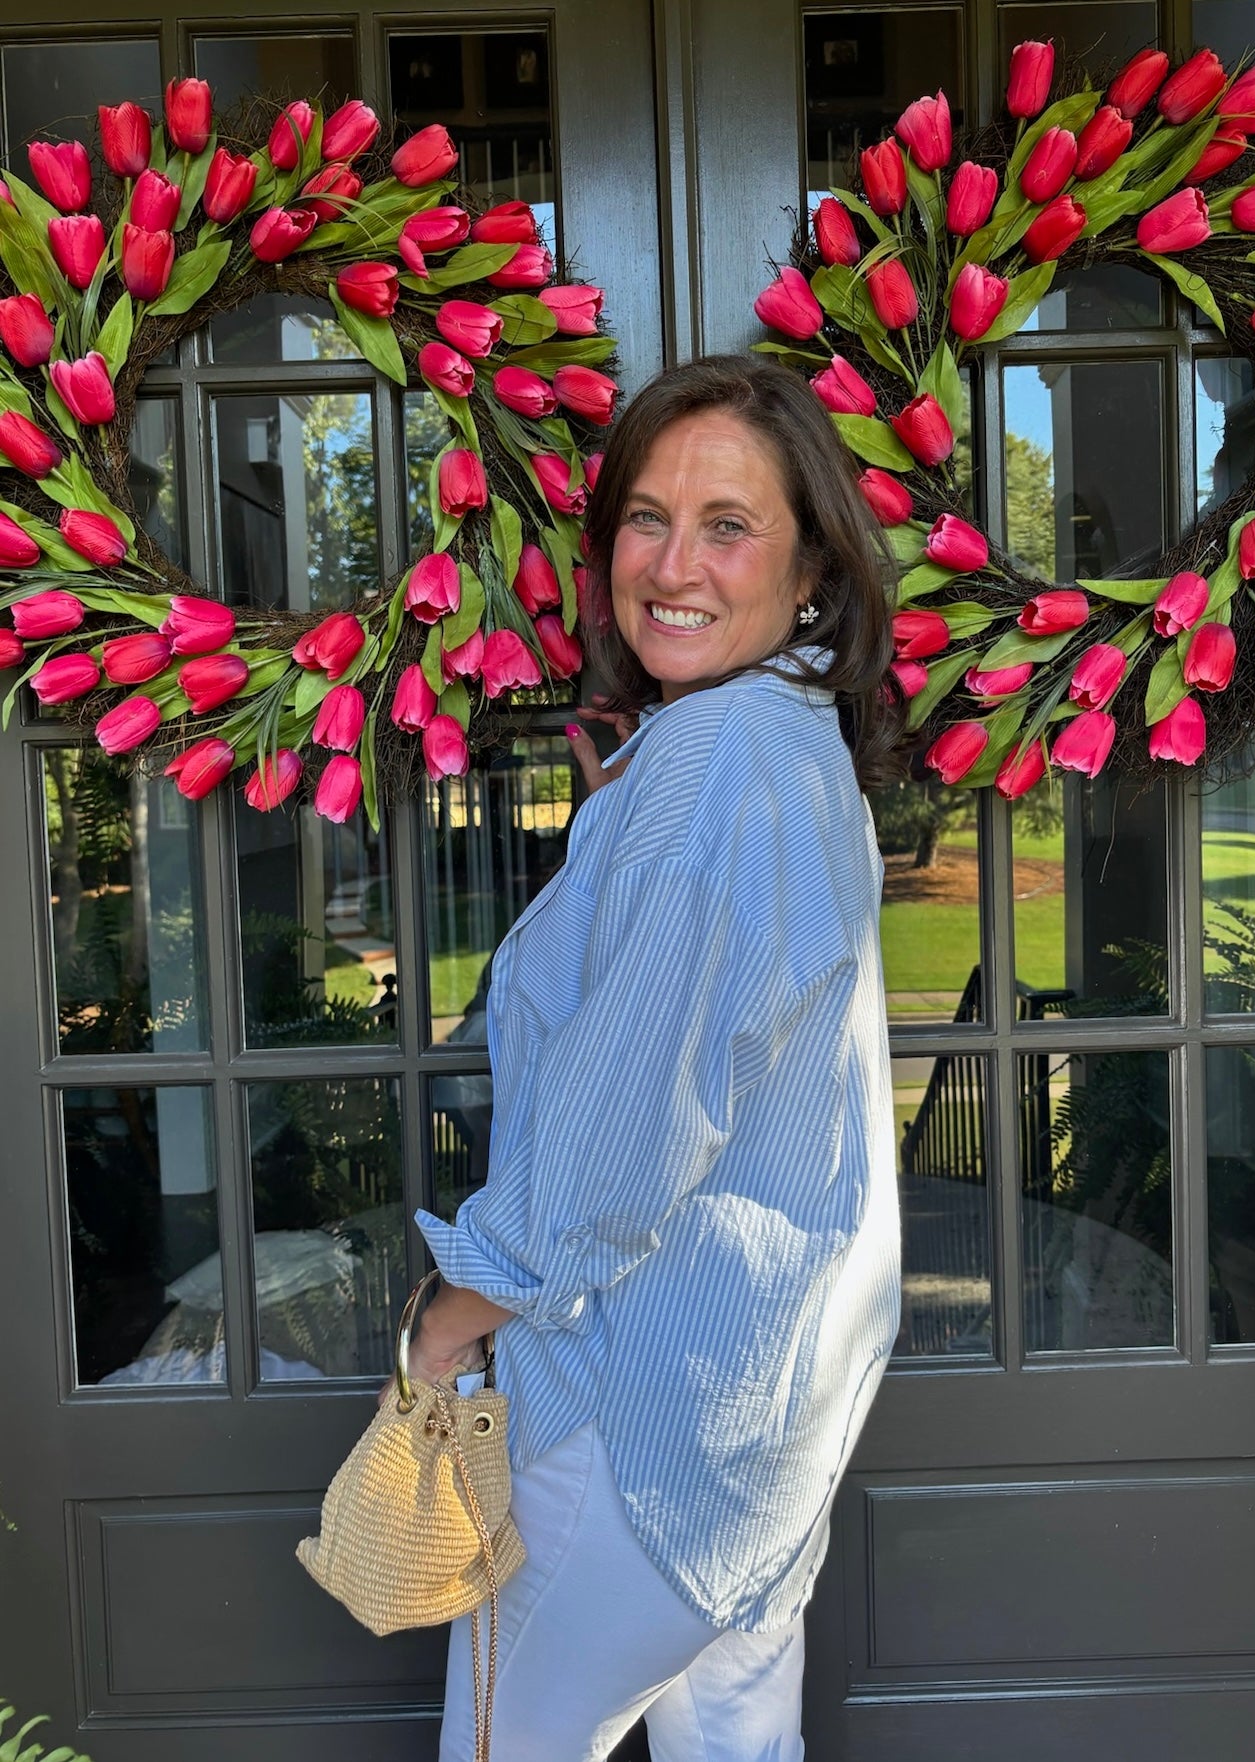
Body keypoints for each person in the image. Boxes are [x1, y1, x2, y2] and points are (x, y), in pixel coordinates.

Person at [408, 353, 903, 1760]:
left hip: (628, 1421)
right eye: (644, 517)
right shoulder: (795, 737)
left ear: (809, 569)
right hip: (764, 1420)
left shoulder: (712, 764)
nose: (671, 563)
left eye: (727, 525)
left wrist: (448, 1327)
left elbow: (621, 1137)